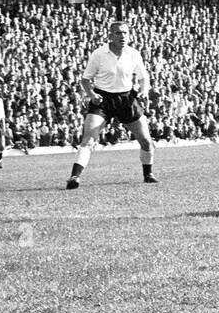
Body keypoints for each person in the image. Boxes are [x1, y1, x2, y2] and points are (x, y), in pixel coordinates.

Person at [66, 21, 158, 189]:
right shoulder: (99, 54)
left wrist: (144, 91)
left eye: (125, 33)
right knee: (88, 139)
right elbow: (86, 80)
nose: (122, 36)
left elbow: (144, 77)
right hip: (103, 100)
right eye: (118, 33)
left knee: (146, 141)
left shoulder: (133, 54)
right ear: (110, 35)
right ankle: (74, 177)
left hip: (127, 99)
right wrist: (92, 95)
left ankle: (148, 174)